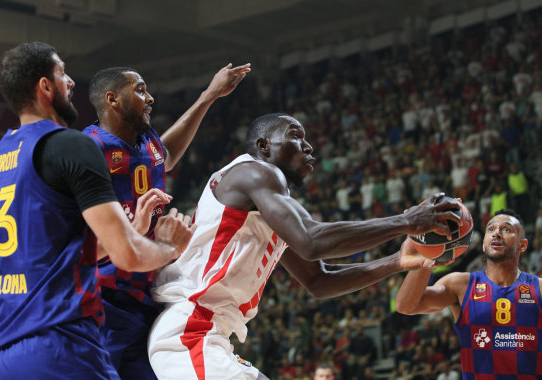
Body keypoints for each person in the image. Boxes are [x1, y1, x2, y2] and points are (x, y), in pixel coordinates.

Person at [148, 113, 462, 379]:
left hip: (208, 335)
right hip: (191, 332)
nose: (308, 146)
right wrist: (406, 221)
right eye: (296, 136)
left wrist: (397, 261)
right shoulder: (255, 172)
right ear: (264, 146)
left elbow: (318, 281)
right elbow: (311, 241)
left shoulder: (268, 203)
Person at [0, 42, 195, 379]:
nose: (71, 83)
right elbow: (127, 257)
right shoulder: (71, 144)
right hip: (57, 341)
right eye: (62, 74)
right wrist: (170, 246)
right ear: (46, 87)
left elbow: (61, 253)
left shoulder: (0, 156)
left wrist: (132, 230)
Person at [83, 63, 250, 379]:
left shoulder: (146, 141)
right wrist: (135, 230)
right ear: (112, 99)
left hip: (150, 294)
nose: (151, 98)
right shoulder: (88, 149)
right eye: (140, 89)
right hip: (106, 297)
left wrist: (209, 96)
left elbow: (167, 153)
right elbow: (76, 240)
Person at [395, 209, 540, 378]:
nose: (497, 234)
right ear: (484, 244)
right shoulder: (460, 285)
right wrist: (427, 254)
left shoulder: (539, 288)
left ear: (522, 245)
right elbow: (405, 305)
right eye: (491, 229)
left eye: (506, 229)